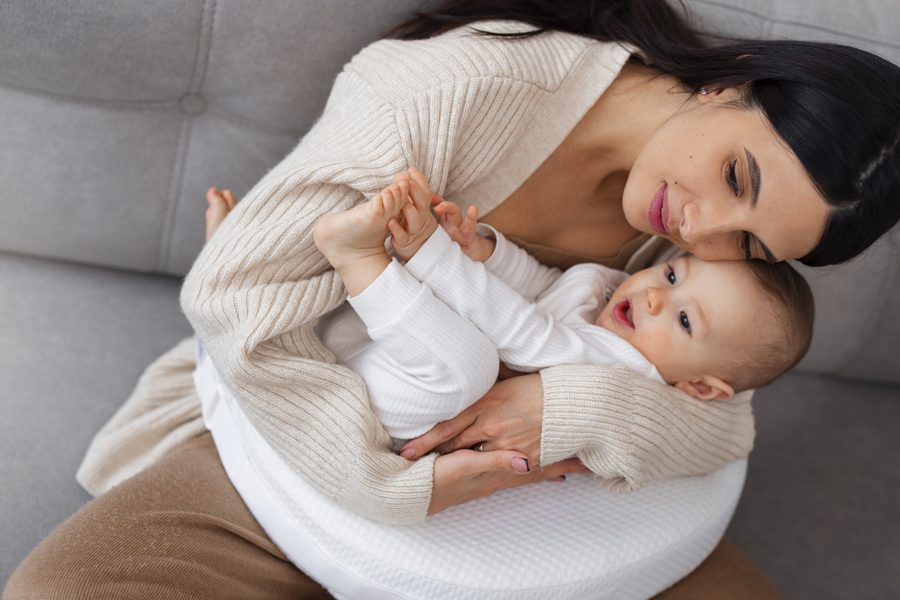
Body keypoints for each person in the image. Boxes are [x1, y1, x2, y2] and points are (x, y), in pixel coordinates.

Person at [6, 0, 899, 598]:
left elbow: (723, 417)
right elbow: (233, 296)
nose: (706, 234)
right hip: (323, 416)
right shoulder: (454, 97)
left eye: (751, 245)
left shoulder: (693, 252)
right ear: (730, 84)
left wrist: (568, 401)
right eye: (737, 174)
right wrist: (390, 487)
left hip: (545, 503)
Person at [307, 168, 813, 446]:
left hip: (402, 409)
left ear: (699, 386)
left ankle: (358, 257)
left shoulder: (626, 374)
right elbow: (544, 285)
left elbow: (530, 337)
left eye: (684, 320)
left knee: (471, 368)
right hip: (381, 350)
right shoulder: (618, 296)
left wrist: (429, 252)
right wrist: (482, 251)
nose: (657, 295)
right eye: (674, 275)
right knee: (465, 346)